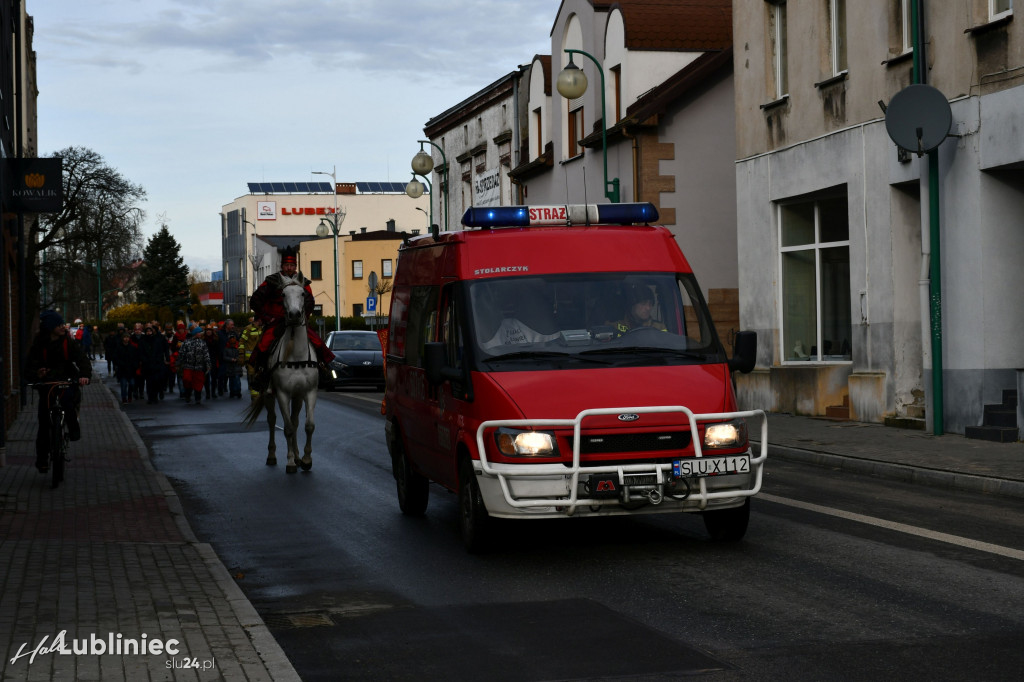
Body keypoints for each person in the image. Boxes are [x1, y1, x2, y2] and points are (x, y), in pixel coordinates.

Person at [247, 246, 334, 392]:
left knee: (317, 342)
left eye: (292, 265)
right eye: (287, 265)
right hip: (277, 320)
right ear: (282, 266)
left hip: (298, 321)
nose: (289, 268)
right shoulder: (271, 281)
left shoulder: (303, 282)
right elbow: (255, 300)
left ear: (295, 266)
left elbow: (309, 302)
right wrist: (267, 318)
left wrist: (303, 317)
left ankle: (323, 370)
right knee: (264, 344)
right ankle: (261, 374)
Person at [25, 310, 91, 473]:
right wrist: (36, 375)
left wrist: (84, 375)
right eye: (59, 324)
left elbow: (82, 359)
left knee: (69, 402)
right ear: (50, 327)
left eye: (63, 324)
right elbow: (30, 366)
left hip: (66, 379)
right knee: (44, 422)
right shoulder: (39, 344)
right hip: (47, 383)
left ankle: (73, 430)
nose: (63, 327)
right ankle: (42, 460)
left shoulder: (68, 342)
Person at [178, 326, 211, 405]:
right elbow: (181, 354)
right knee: (187, 381)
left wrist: (208, 364)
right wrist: (178, 364)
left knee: (198, 383)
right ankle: (188, 395)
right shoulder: (186, 342)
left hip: (199, 367)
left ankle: (197, 398)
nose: (201, 334)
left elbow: (206, 354)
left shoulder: (203, 343)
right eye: (199, 332)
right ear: (195, 333)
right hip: (188, 366)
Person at [113, 333, 140, 404]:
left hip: (131, 369)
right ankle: (124, 398)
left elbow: (136, 357)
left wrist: (135, 365)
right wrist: (120, 364)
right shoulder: (119, 348)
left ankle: (129, 395)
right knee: (123, 385)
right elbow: (116, 358)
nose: (126, 339)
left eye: (127, 337)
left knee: (132, 384)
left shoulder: (132, 348)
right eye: (125, 337)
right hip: (122, 369)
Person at [239, 317, 262, 400]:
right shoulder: (248, 329)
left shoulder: (262, 328)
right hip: (250, 359)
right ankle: (255, 398)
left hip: (261, 357)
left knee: (261, 376)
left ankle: (260, 396)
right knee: (252, 376)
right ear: (257, 320)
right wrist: (241, 355)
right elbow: (242, 341)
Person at [222, 334, 244, 398]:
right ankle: (232, 392)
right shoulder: (226, 348)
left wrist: (236, 359)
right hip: (230, 367)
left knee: (237, 380)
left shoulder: (238, 348)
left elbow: (240, 355)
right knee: (231, 380)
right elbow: (224, 357)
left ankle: (238, 392)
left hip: (237, 366)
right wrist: (231, 359)